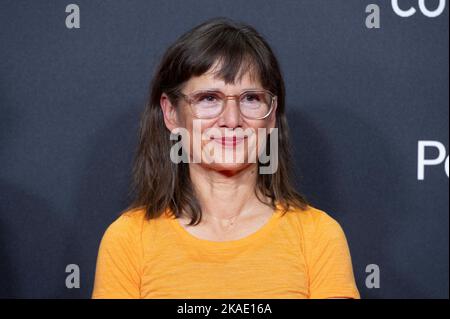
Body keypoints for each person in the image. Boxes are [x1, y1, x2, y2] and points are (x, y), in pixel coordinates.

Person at [92, 17, 360, 299]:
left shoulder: (318, 237)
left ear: (271, 116)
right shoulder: (129, 239)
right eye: (209, 98)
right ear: (171, 113)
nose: (232, 120)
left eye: (251, 99)